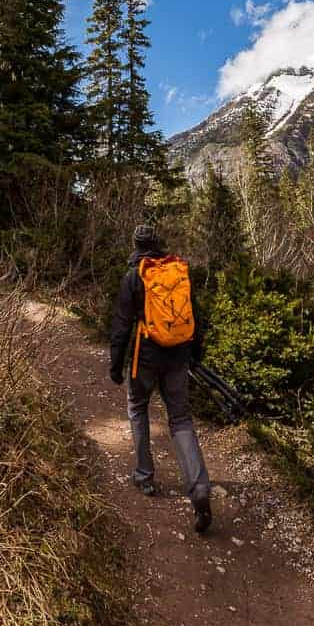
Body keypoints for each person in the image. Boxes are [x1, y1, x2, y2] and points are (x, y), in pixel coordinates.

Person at [109, 224, 212, 534]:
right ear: (158, 245)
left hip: (147, 356)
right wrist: (196, 353)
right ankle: (199, 488)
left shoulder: (135, 275)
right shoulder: (177, 271)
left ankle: (144, 476)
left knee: (138, 408)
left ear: (135, 245)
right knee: (181, 419)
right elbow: (194, 314)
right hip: (179, 355)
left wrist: (116, 366)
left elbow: (122, 324)